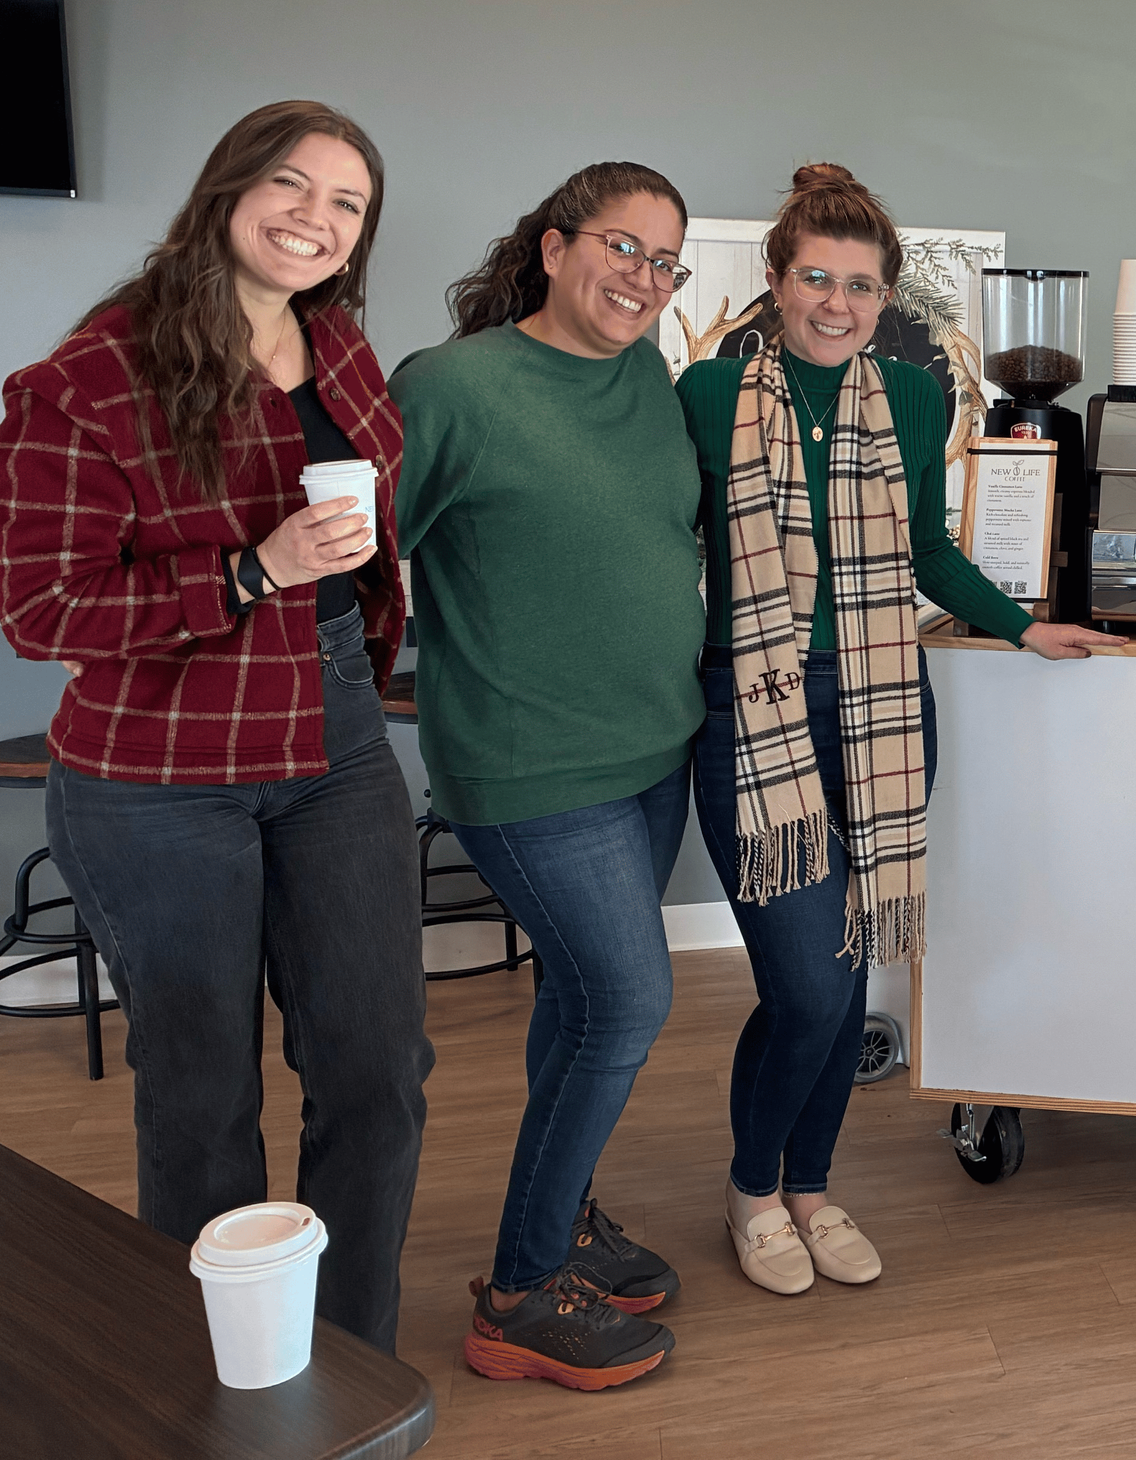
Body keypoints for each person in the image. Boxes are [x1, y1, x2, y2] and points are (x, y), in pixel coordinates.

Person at [0, 101, 428, 1351]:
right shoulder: (88, 379)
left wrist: (353, 610)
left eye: (346, 203)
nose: (315, 217)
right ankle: (222, 1373)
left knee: (377, 1072)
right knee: (200, 1097)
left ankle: (347, 1363)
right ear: (226, 191)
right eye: (291, 185)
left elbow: (366, 527)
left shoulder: (338, 347)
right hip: (159, 768)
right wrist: (252, 572)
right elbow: (39, 607)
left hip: (335, 732)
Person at [677, 163, 1122, 1298]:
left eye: (861, 285)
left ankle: (813, 1189)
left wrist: (1024, 628)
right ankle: (751, 1190)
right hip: (757, 707)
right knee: (808, 989)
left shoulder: (917, 402)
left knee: (848, 963)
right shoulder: (706, 396)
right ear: (775, 285)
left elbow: (926, 547)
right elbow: (662, 544)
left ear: (887, 298)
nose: (838, 303)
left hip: (879, 704)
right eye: (816, 279)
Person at [392, 162, 707, 1390]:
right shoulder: (452, 388)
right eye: (622, 248)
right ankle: (520, 1290)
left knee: (577, 1004)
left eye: (664, 261)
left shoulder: (648, 378)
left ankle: (565, 1213)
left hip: (650, 751)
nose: (642, 278)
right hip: (528, 765)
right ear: (554, 247)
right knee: (627, 1002)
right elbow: (363, 551)